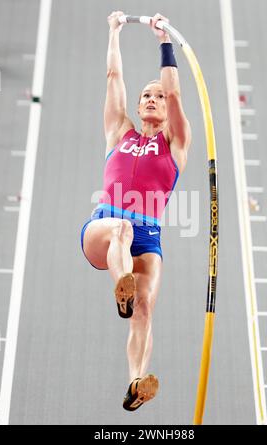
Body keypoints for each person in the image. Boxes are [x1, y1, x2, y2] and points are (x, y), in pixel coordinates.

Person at [80, 11, 191, 411]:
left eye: (157, 95)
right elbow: (114, 79)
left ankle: (134, 384)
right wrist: (114, 31)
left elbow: (176, 94)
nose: (151, 98)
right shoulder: (119, 132)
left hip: (149, 236)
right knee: (122, 230)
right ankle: (121, 287)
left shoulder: (175, 144)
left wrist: (165, 41)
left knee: (145, 309)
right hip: (104, 228)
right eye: (146, 94)